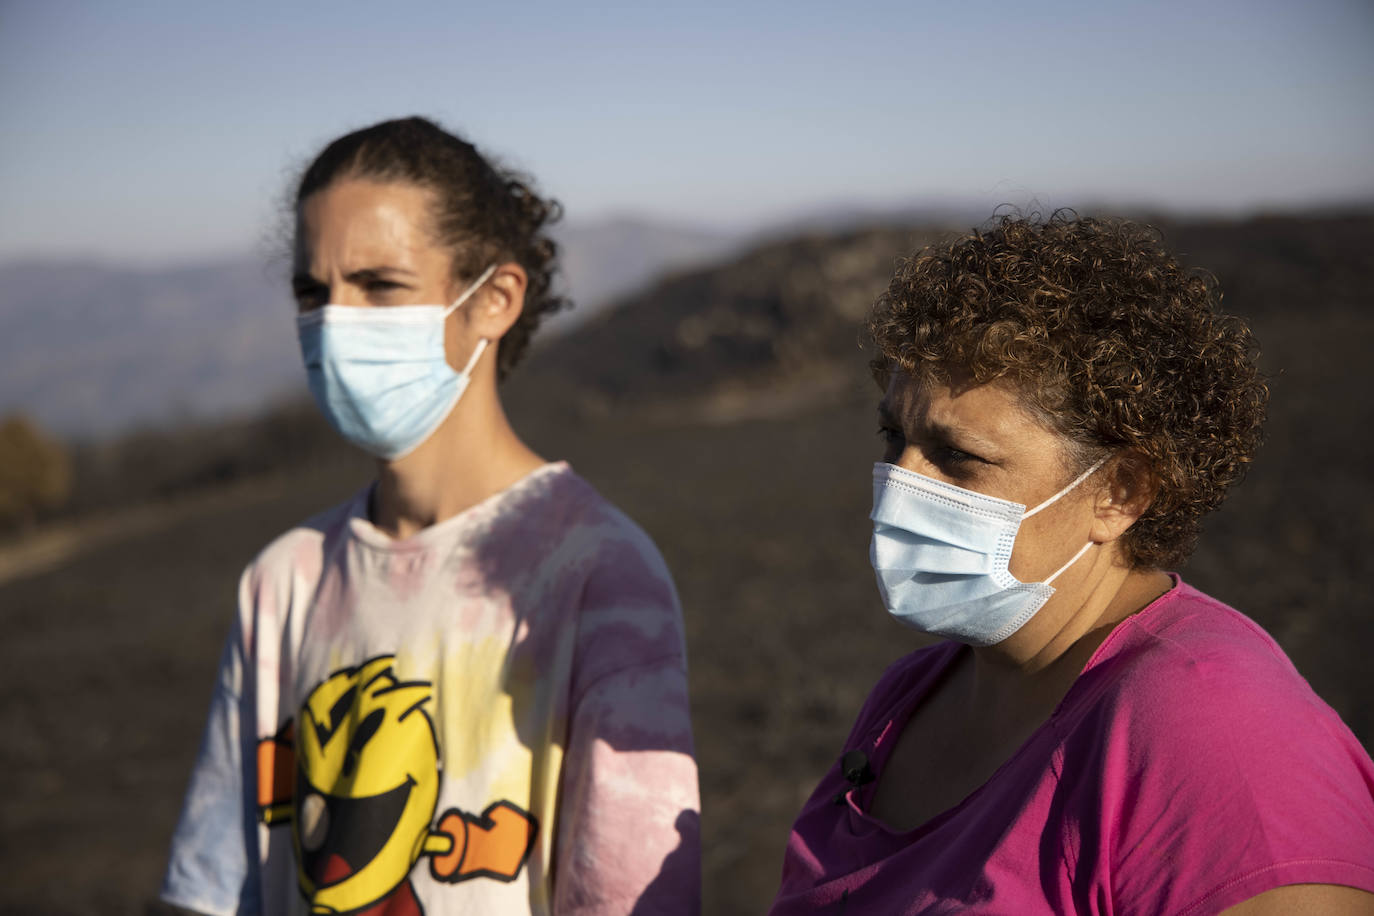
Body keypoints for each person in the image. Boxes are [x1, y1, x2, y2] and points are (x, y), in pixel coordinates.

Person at [161, 116, 700, 916]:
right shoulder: (282, 580)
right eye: (312, 291)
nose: (334, 321)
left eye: (379, 284)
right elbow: (208, 890)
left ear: (495, 301)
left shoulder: (599, 579)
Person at [769, 214, 1374, 914]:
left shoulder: (1220, 733)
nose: (899, 483)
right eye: (894, 436)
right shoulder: (913, 695)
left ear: (1119, 493)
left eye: (958, 456)